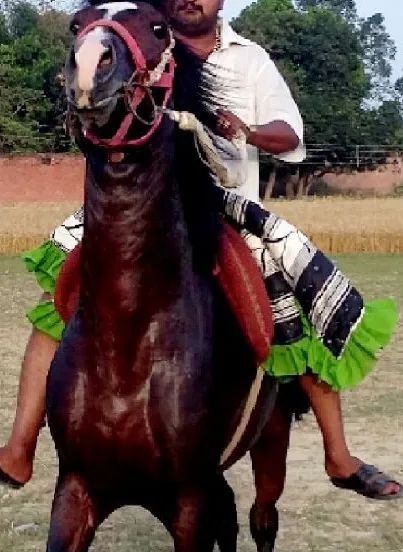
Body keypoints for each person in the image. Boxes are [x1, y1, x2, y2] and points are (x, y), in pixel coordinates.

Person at [0, 0, 401, 500]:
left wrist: (248, 132)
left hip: (223, 209)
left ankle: (338, 455)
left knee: (295, 296)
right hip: (137, 212)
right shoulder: (134, 42)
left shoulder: (250, 60)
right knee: (59, 300)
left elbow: (291, 133)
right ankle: (19, 446)